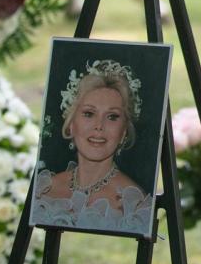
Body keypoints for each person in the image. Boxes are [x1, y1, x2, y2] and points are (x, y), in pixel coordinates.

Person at [32, 58, 155, 234]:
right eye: (89, 114)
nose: (99, 126)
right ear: (71, 125)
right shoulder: (44, 188)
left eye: (112, 117)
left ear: (124, 132)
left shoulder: (133, 206)